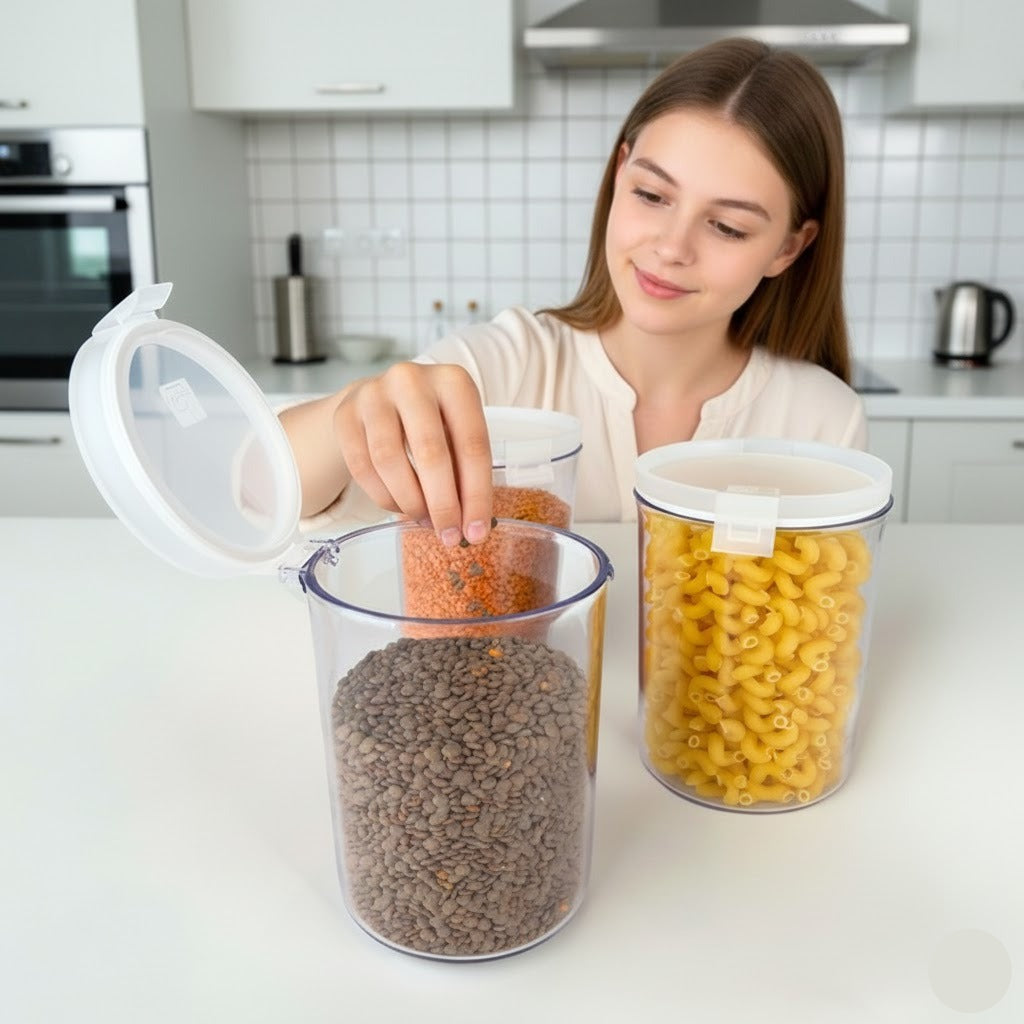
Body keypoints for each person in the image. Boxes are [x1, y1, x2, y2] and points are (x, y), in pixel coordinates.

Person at [280, 37, 866, 545]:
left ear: (788, 247)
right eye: (651, 196)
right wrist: (354, 408)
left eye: (728, 227)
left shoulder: (821, 419)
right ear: (620, 174)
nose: (671, 247)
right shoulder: (501, 367)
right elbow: (259, 491)